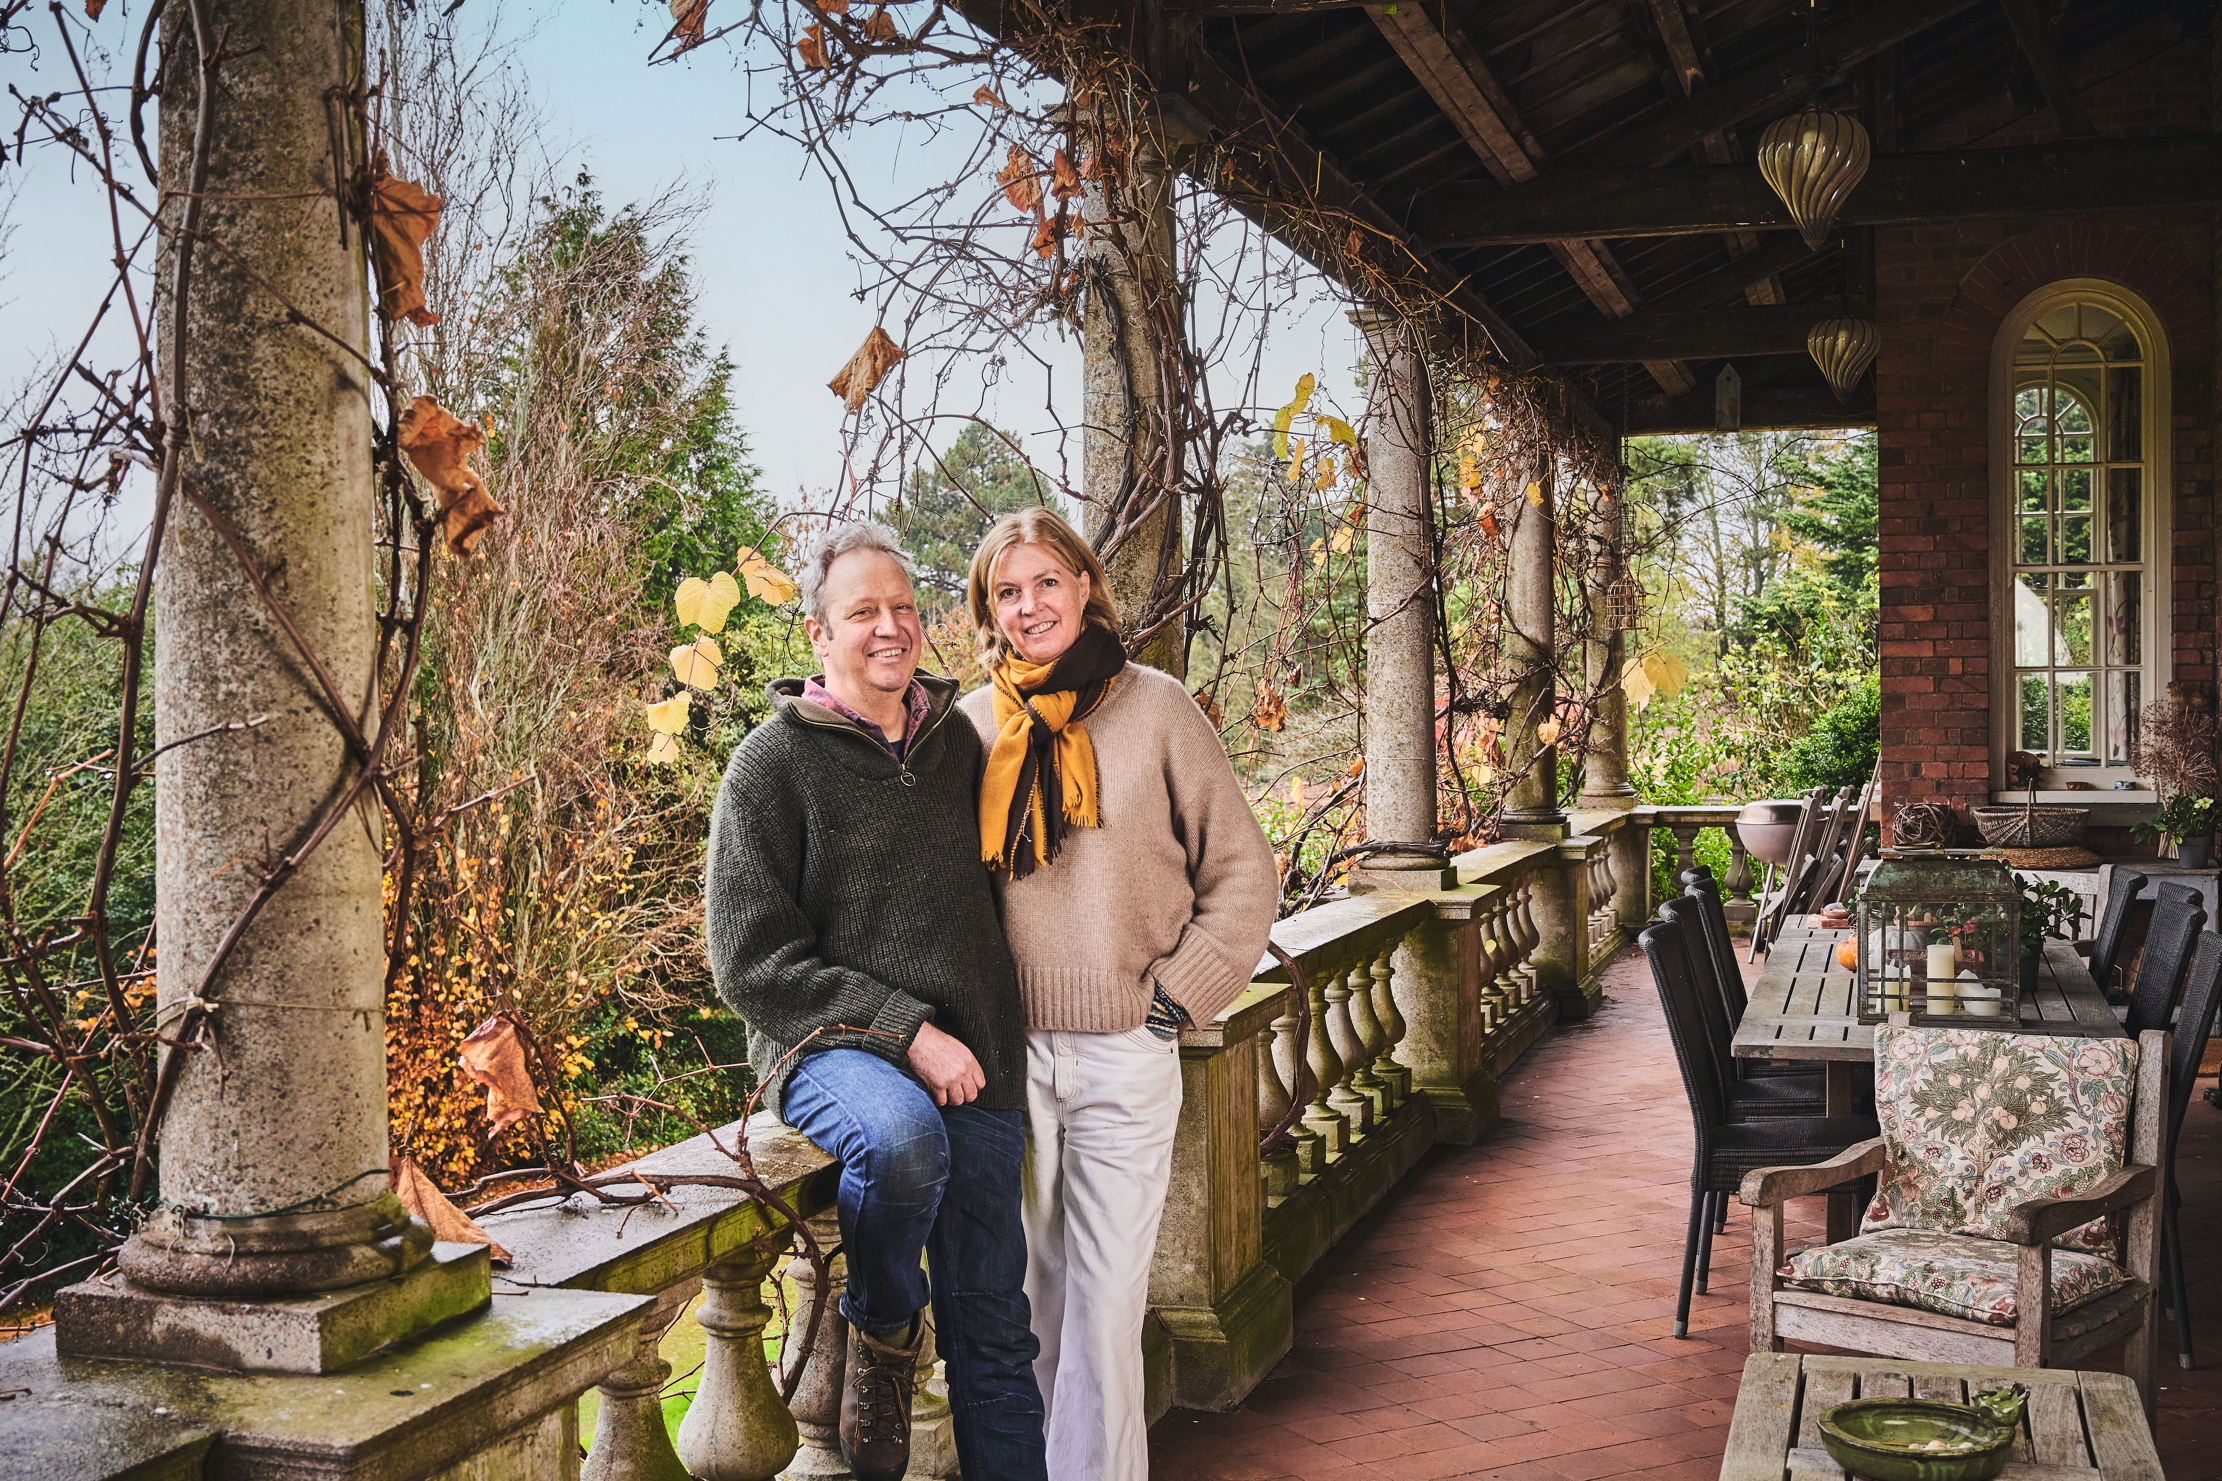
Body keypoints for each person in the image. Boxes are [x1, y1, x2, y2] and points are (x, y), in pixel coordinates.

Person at [706, 521, 1047, 1481]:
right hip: (827, 1050)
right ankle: (884, 1338)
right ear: (819, 634)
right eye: (864, 612)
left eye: (904, 606)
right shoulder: (769, 766)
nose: (890, 627)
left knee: (995, 1338)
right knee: (899, 1143)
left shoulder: (959, 745)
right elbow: (749, 962)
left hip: (978, 1061)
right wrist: (906, 1030)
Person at [958, 508, 1278, 1481]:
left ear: (1085, 585)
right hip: (1005, 1065)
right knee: (1032, 1311)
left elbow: (1243, 872)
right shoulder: (969, 728)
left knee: (1101, 1310)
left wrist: (1180, 991)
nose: (1029, 606)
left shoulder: (1157, 708)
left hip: (1119, 1052)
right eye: (1006, 592)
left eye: (1045, 582)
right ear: (987, 610)